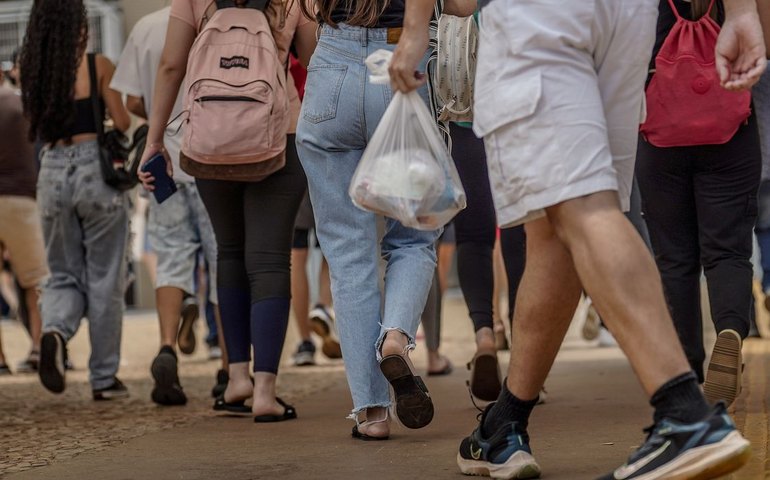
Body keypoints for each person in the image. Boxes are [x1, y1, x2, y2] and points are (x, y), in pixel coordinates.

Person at [385, 0, 764, 476]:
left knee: (583, 207)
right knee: (556, 223)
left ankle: (685, 413)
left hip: (542, 16)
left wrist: (415, 28)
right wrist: (741, 11)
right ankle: (504, 424)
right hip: (626, 17)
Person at [296, 0, 475, 439]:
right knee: (413, 236)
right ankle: (395, 336)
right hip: (402, 68)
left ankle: (372, 413)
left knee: (347, 254)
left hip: (331, 68)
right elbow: (463, 6)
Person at [140, 0, 317, 421]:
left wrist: (155, 140)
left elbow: (171, 65)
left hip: (211, 134)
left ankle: (237, 378)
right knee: (270, 260)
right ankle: (265, 392)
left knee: (230, 252)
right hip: (280, 133)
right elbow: (314, 60)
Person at [636, 0, 761, 408]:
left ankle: (685, 370)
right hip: (729, 129)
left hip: (660, 136)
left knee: (674, 260)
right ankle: (730, 330)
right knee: (728, 252)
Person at [111, 5, 227, 406]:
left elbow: (132, 101)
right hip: (213, 158)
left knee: (171, 259)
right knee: (222, 261)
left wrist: (162, 117)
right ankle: (228, 367)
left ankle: (166, 348)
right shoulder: (218, 17)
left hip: (164, 163)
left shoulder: (145, 27)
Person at [20, 0, 132, 400]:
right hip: (93, 173)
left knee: (63, 274)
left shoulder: (31, 71)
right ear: (78, 25)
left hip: (51, 171)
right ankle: (103, 377)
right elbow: (122, 121)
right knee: (105, 277)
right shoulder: (97, 65)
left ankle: (54, 331)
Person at [0, 69, 48, 376]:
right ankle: (39, 347)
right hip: (21, 199)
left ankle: (0, 358)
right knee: (36, 281)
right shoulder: (20, 105)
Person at [291, 197, 341, 366]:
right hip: (329, 184)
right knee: (330, 247)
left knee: (297, 254)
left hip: (297, 186)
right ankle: (323, 306)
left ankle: (305, 342)